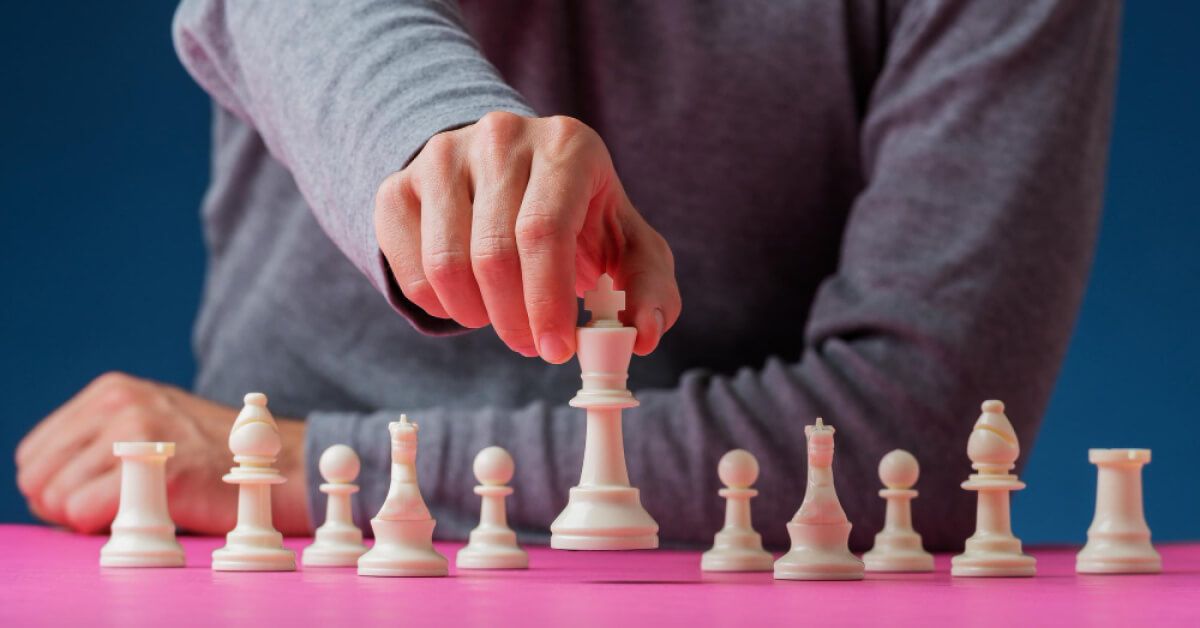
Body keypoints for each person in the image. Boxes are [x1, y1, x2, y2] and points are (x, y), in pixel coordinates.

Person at [15, 0, 1119, 549]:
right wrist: (438, 134)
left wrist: (296, 467)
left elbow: (913, 436)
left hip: (726, 589)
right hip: (304, 577)